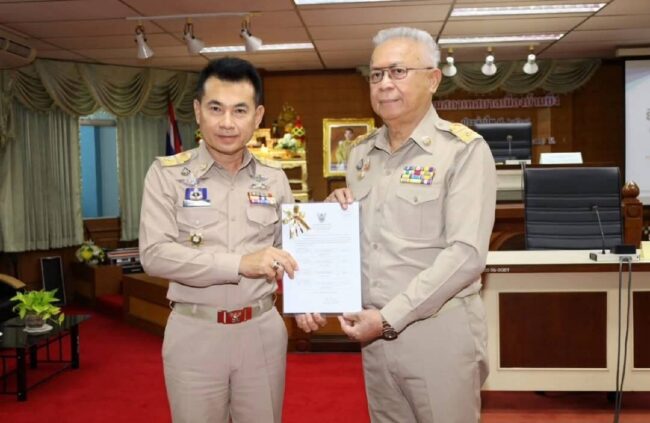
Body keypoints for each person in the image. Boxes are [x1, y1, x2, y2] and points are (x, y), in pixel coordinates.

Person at [296, 27, 497, 423]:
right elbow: (364, 245)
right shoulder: (360, 155)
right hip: (374, 338)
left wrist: (389, 318)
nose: (384, 83)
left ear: (433, 79)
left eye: (398, 71)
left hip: (437, 334)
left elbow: (466, 255)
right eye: (376, 74)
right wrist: (329, 236)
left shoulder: (463, 150)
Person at [139, 57, 298, 423]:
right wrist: (239, 264)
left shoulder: (275, 179)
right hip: (195, 332)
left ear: (257, 116)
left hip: (261, 331)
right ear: (198, 111)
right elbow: (155, 254)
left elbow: (293, 250)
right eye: (216, 109)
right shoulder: (167, 176)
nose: (227, 122)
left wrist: (335, 212)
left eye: (240, 110)